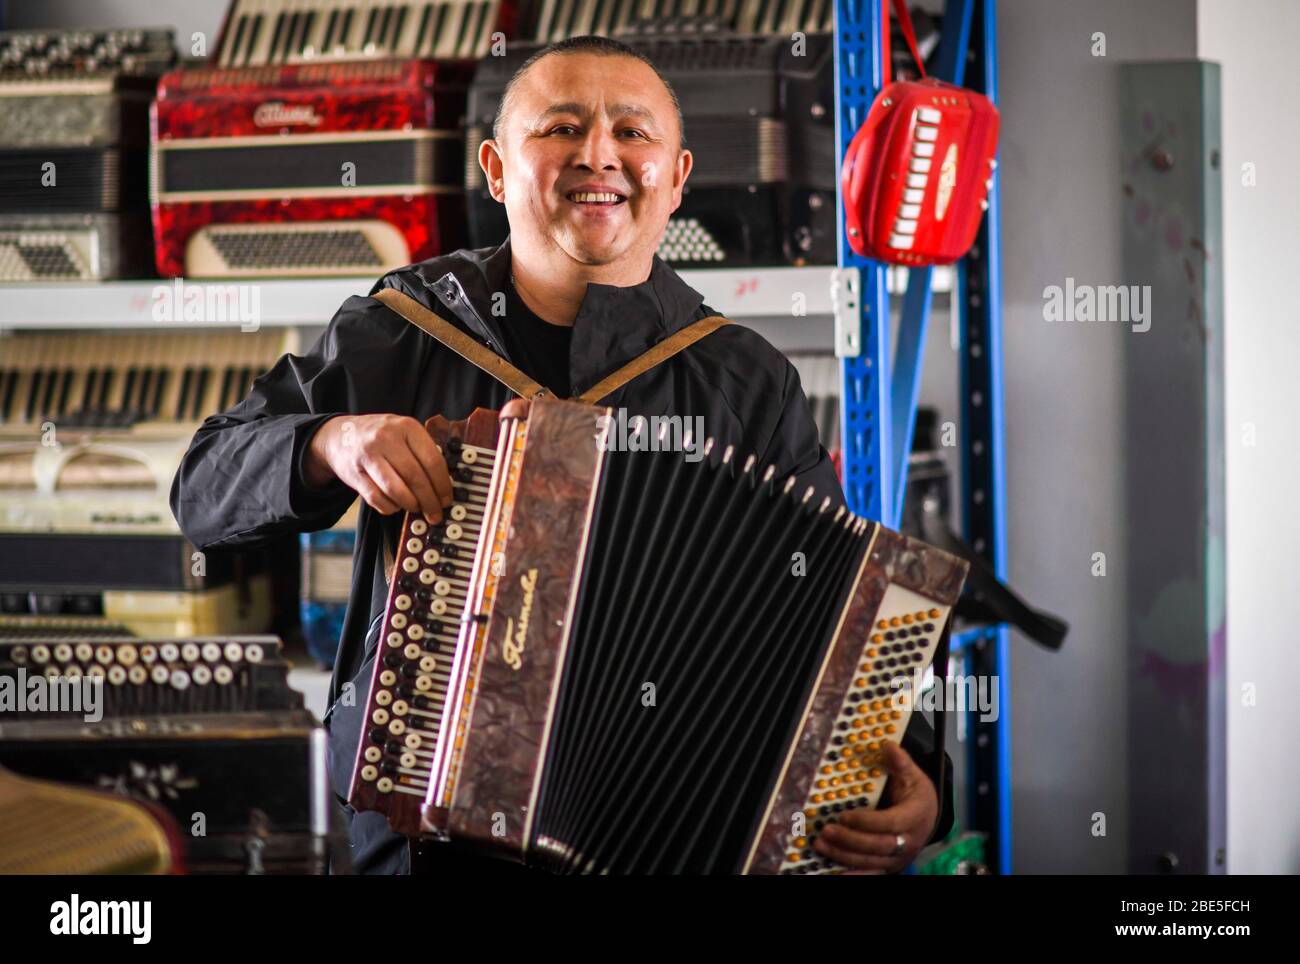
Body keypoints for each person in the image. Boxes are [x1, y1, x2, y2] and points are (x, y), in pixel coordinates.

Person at [170, 35, 953, 875]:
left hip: (669, 842)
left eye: (632, 133)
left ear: (678, 177)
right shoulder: (399, 330)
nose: (598, 155)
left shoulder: (744, 379)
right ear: (498, 169)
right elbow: (202, 489)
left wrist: (921, 788)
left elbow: (839, 617)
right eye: (561, 128)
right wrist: (331, 441)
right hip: (427, 849)